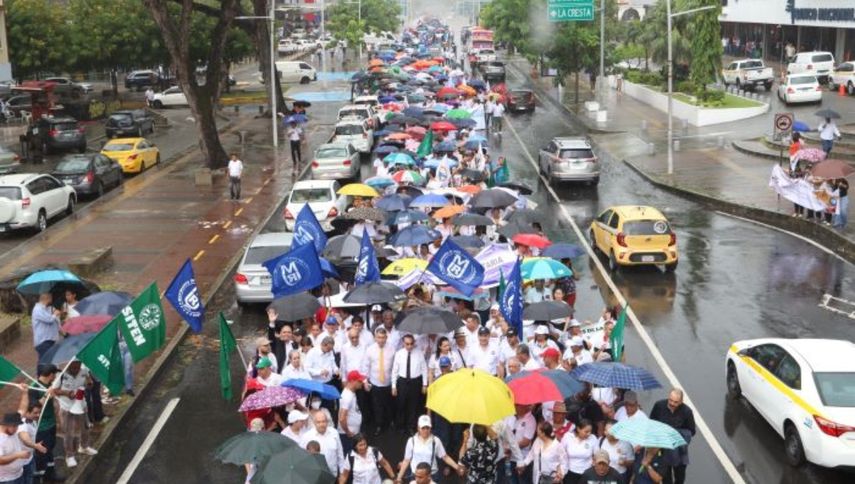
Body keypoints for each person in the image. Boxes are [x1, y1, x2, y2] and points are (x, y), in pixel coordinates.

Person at [52, 361, 97, 469]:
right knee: (68, 432)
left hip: (81, 405)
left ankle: (84, 446)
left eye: (78, 367)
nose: (76, 370)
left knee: (85, 428)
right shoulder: (61, 375)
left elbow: (89, 383)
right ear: (69, 365)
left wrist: (89, 383)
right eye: (73, 368)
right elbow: (54, 390)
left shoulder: (84, 371)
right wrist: (68, 393)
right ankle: (69, 456)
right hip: (66, 407)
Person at [396, 415, 461, 483]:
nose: (425, 430)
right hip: (416, 475)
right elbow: (406, 460)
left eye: (428, 428)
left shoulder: (436, 441)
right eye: (423, 428)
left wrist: (457, 467)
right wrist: (399, 478)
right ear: (418, 428)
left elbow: (445, 457)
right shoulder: (411, 441)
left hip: (432, 475)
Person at [649, 389, 695, 484]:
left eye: (675, 402)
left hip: (679, 450)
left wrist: (676, 434)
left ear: (681, 401)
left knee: (680, 477)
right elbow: (651, 423)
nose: (672, 404)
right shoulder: (659, 406)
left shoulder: (687, 412)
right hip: (663, 449)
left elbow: (692, 431)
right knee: (665, 477)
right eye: (670, 400)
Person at [29, 365, 61, 482]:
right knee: (41, 453)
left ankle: (51, 475)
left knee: (50, 450)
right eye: (55, 374)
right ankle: (40, 478)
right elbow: (32, 408)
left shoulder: (49, 386)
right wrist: (46, 396)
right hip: (41, 426)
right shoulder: (34, 387)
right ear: (51, 375)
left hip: (51, 423)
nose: (56, 376)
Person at [392, 334, 428, 433]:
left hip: (415, 382)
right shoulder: (399, 353)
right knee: (401, 405)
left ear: (414, 343)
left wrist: (424, 384)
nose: (409, 346)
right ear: (403, 343)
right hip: (402, 381)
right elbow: (394, 370)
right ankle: (400, 426)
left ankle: (411, 426)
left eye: (411, 344)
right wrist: (394, 386)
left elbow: (424, 368)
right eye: (407, 344)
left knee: (413, 406)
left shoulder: (419, 353)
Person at [362, 328, 394, 436]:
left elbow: (395, 366)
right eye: (379, 337)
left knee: (389, 405)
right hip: (375, 383)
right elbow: (365, 366)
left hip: (388, 383)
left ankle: (389, 423)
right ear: (375, 337)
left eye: (383, 337)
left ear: (386, 337)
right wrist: (365, 381)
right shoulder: (370, 350)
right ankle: (379, 425)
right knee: (377, 406)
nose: (381, 340)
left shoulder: (392, 349)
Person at [301, 412, 345, 476]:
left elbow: (340, 455)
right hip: (315, 476)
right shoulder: (306, 436)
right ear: (314, 423)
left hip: (332, 475)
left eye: (323, 421)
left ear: (327, 422)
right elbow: (302, 457)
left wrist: (342, 473)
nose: (321, 424)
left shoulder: (334, 433)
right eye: (318, 422)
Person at [560, 419, 597, 483]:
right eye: (586, 431)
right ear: (578, 429)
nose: (589, 434)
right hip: (570, 472)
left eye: (590, 431)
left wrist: (594, 462)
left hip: (587, 473)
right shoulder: (568, 437)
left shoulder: (593, 438)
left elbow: (597, 454)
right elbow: (561, 453)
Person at [339, 370, 366, 455]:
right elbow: (342, 418)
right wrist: (347, 431)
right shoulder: (347, 396)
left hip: (353, 432)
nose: (361, 383)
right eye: (359, 381)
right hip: (348, 434)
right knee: (349, 455)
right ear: (352, 381)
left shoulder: (351, 393)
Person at [0, 413, 29, 484]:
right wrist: (18, 455)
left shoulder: (12, 432)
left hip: (19, 475)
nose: (16, 429)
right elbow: (0, 460)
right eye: (13, 426)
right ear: (6, 424)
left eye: (17, 426)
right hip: (7, 480)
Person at [32, 294, 62, 361]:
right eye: (50, 300)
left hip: (50, 340)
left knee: (48, 362)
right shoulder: (38, 309)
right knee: (44, 363)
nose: (51, 302)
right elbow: (49, 320)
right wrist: (55, 314)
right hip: (43, 341)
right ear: (47, 299)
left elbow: (55, 322)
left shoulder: (47, 309)